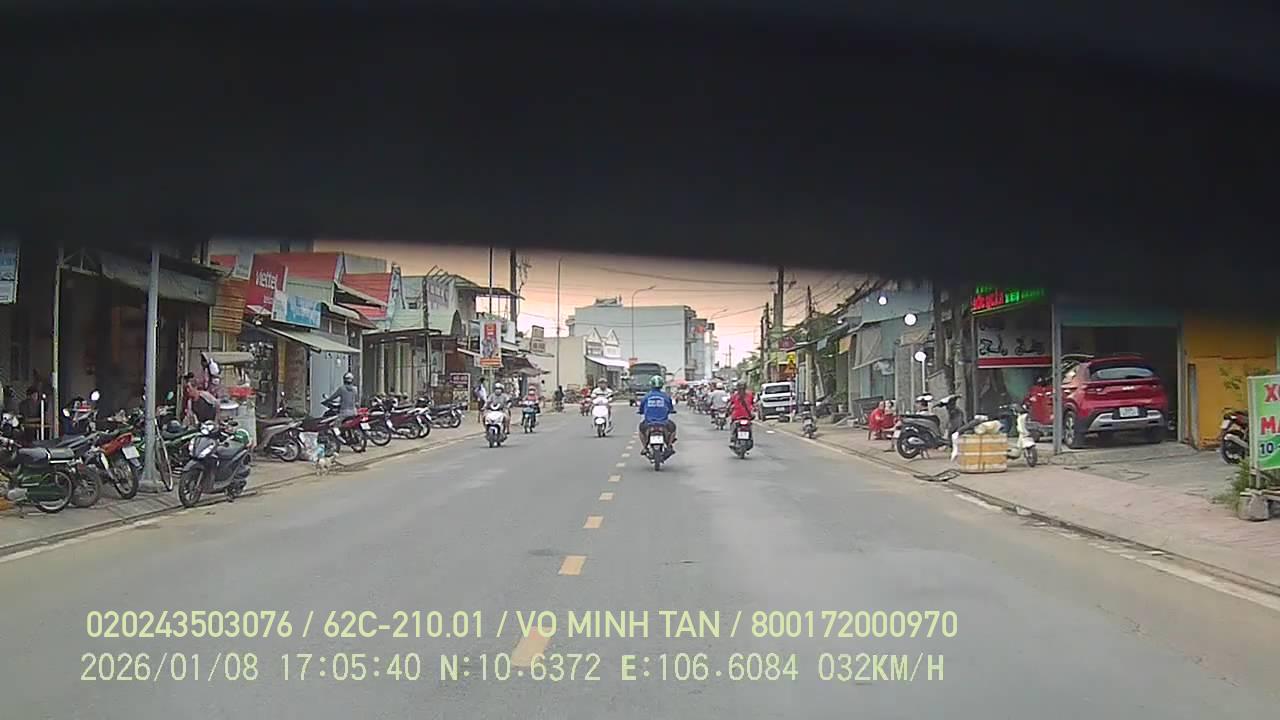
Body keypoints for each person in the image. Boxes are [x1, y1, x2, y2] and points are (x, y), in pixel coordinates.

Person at [637, 375, 677, 454]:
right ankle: (669, 446)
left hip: (649, 423)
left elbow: (641, 409)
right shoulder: (665, 396)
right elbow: (671, 408)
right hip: (664, 423)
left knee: (641, 430)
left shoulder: (646, 397)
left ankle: (645, 447)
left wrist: (641, 411)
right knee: (673, 429)